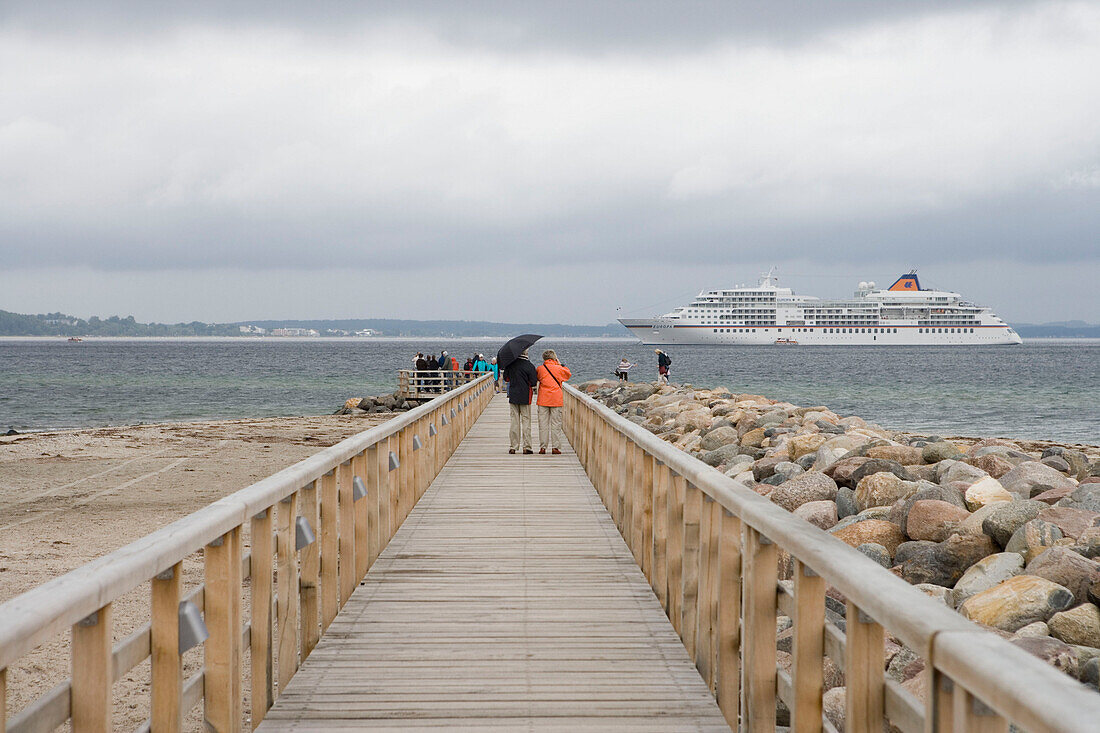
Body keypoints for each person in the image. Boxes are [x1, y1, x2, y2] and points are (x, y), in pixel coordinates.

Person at [536, 349, 571, 455]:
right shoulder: (559, 368)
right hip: (556, 399)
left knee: (543, 424)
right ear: (554, 358)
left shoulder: (540, 369)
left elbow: (537, 378)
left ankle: (543, 447)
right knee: (556, 423)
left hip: (543, 398)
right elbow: (568, 374)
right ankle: (555, 447)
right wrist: (560, 364)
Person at [504, 349, 539, 454]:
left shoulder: (510, 365)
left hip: (513, 396)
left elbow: (506, 378)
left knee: (514, 422)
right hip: (525, 397)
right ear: (526, 354)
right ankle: (527, 447)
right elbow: (533, 382)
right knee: (526, 422)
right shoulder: (529, 366)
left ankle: (513, 446)